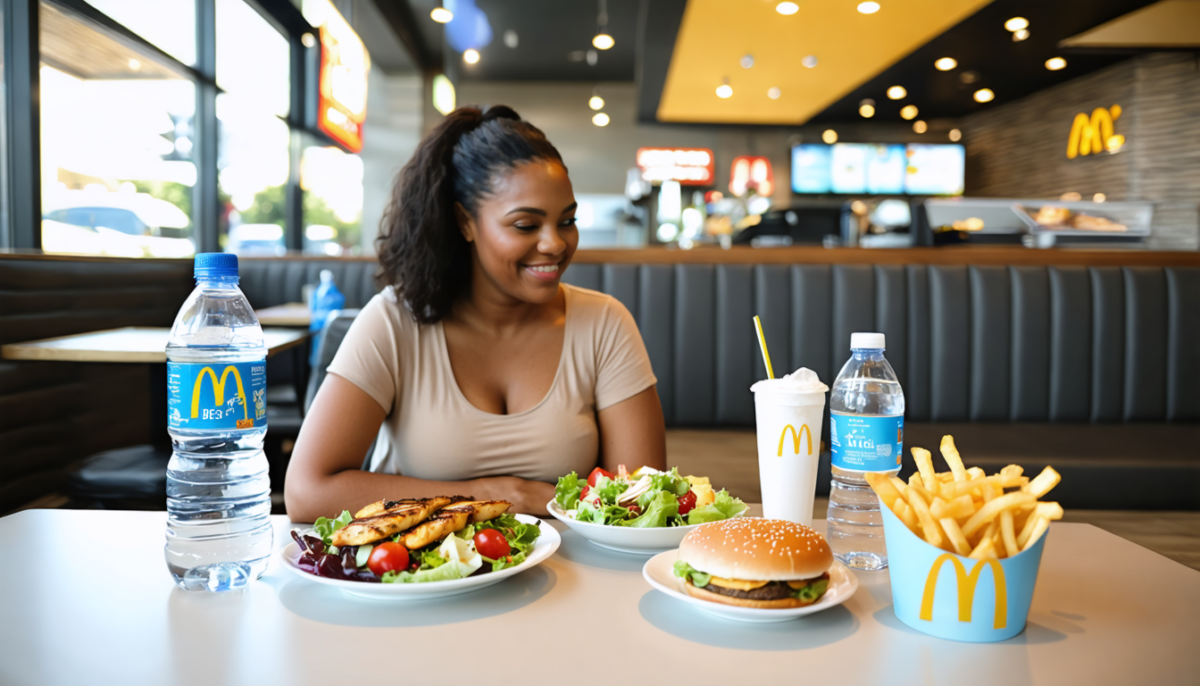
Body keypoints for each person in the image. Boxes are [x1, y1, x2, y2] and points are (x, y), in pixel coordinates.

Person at [285, 106, 666, 521]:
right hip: (418, 579)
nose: (555, 244)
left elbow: (644, 498)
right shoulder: (394, 321)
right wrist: (491, 496)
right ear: (465, 221)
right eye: (525, 225)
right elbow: (307, 492)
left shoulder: (604, 323)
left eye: (567, 221)